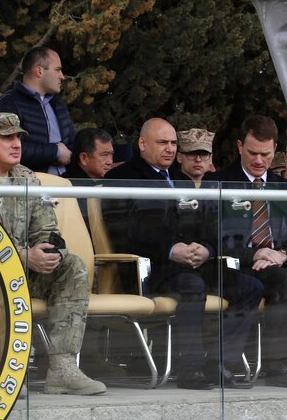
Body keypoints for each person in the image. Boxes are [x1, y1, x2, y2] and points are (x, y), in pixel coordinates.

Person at [0, 113, 106, 395]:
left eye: (18, 137)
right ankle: (3, 368)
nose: (16, 143)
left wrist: (48, 251)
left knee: (71, 266)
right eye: (7, 137)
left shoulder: (27, 177)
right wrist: (21, 256)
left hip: (25, 271)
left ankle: (63, 368)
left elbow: (47, 228)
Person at [103, 118, 263, 390]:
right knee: (194, 286)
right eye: (162, 142)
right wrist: (169, 249)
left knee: (250, 287)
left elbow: (208, 227)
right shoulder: (121, 177)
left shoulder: (182, 180)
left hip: (193, 264)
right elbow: (122, 233)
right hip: (151, 267)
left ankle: (219, 362)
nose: (169, 149)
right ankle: (190, 370)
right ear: (142, 144)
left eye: (173, 143)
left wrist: (207, 249)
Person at [208, 115, 287, 388]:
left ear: (274, 150)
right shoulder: (217, 182)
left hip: (278, 260)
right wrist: (254, 255)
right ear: (240, 146)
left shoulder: (284, 188)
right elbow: (213, 237)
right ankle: (279, 364)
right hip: (242, 263)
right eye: (252, 152)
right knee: (284, 279)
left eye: (265, 154)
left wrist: (282, 255)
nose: (258, 160)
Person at [0, 46, 76, 175]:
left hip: (66, 188)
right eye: (57, 70)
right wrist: (54, 152)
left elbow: (73, 143)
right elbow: (2, 147)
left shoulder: (58, 105)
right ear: (39, 71)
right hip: (28, 189)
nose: (62, 76)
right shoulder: (8, 104)